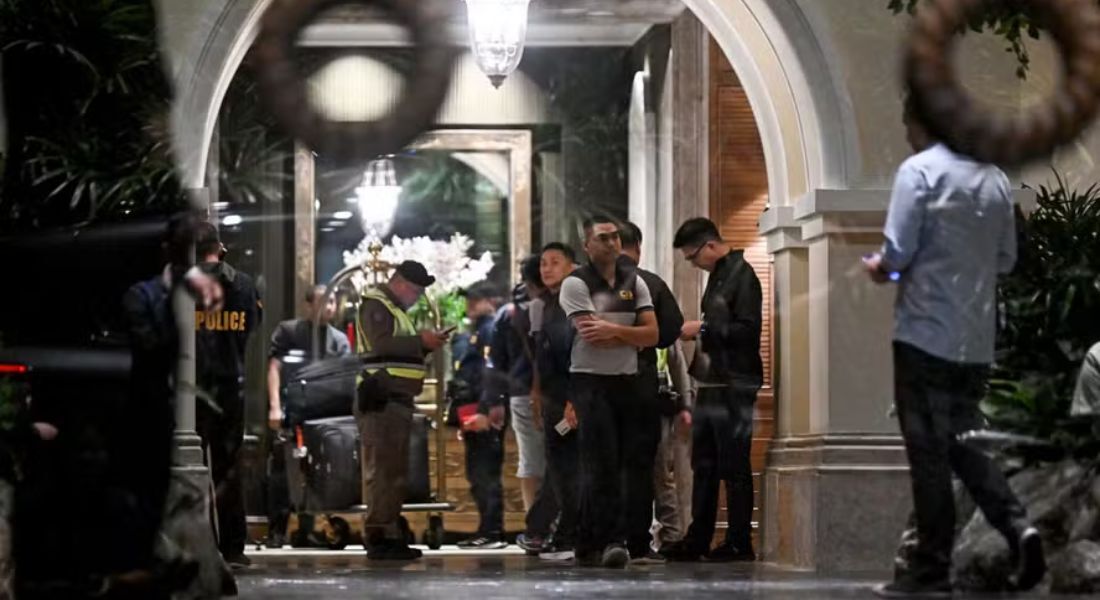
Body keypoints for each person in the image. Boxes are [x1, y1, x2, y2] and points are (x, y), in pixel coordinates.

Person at [863, 97, 1045, 597]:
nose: (907, 136)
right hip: (975, 340)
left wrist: (881, 267)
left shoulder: (919, 173)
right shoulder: (993, 178)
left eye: (908, 125)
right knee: (964, 444)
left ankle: (930, 573)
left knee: (928, 457)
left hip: (923, 335)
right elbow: (1006, 259)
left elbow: (898, 253)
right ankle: (1019, 528)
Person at [560, 216, 658, 568]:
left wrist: (615, 331)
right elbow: (591, 334)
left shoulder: (636, 282)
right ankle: (601, 541)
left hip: (628, 380)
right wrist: (629, 332)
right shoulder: (575, 283)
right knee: (600, 463)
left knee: (624, 464)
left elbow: (653, 334)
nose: (612, 243)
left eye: (615, 236)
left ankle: (598, 542)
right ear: (587, 246)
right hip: (590, 380)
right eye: (603, 238)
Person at [663, 217, 762, 563]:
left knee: (733, 465)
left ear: (709, 246)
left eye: (692, 257)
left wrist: (701, 328)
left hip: (734, 383)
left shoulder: (742, 275)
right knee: (703, 463)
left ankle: (739, 541)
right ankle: (698, 538)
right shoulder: (719, 276)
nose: (693, 264)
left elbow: (748, 330)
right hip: (712, 382)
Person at [355, 260, 449, 561]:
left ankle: (390, 532)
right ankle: (380, 534)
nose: (419, 297)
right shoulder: (376, 304)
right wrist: (421, 340)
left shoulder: (395, 311)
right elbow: (380, 344)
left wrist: (424, 345)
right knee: (383, 471)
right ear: (400, 283)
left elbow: (395, 349)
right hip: (382, 398)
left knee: (393, 472)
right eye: (417, 290)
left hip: (396, 401)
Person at [616, 222, 695, 555]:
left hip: (600, 387)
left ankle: (605, 537)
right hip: (642, 385)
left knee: (604, 463)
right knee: (642, 467)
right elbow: (671, 331)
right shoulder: (652, 283)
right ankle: (637, 541)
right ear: (638, 247)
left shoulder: (586, 283)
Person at [192, 222, 262, 570]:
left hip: (192, 389)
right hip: (230, 386)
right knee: (228, 469)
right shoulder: (244, 285)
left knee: (190, 468)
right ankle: (234, 548)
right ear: (220, 248)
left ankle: (199, 543)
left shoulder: (183, 285)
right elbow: (252, 326)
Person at [264, 285, 351, 547]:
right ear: (309, 305)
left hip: (325, 414)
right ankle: (277, 529)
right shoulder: (289, 331)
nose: (329, 307)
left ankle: (309, 528)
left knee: (320, 470)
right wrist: (275, 405)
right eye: (324, 302)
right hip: (294, 409)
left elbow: (343, 377)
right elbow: (275, 368)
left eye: (333, 302)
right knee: (283, 469)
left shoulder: (338, 339)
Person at [483, 257, 558, 555]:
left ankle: (534, 526)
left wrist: (493, 402)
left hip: (521, 394)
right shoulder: (557, 306)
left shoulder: (508, 313)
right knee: (557, 462)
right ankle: (551, 525)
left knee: (531, 461)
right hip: (557, 394)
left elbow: (496, 361)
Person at [531, 242, 580, 561]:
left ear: (572, 267)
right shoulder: (548, 303)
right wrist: (537, 392)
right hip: (551, 398)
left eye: (555, 262)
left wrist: (574, 401)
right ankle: (560, 531)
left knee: (570, 469)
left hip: (570, 399)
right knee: (558, 468)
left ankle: (570, 534)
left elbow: (578, 353)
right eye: (543, 263)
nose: (546, 268)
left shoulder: (574, 301)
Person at [450, 282, 508, 550]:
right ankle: (487, 528)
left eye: (475, 299)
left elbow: (491, 373)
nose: (469, 304)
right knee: (478, 473)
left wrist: (486, 409)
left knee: (485, 473)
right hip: (473, 408)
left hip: (483, 410)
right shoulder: (478, 331)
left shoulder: (490, 329)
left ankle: (492, 531)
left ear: (490, 300)